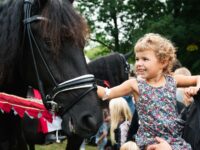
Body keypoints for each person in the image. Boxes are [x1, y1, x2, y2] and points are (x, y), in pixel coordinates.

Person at [97, 33, 200, 149]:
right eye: (137, 59)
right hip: (150, 141)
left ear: (163, 62)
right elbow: (106, 93)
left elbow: (198, 78)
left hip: (174, 139)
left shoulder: (172, 80)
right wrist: (87, 84)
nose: (139, 64)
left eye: (145, 59)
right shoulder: (135, 84)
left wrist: (196, 87)